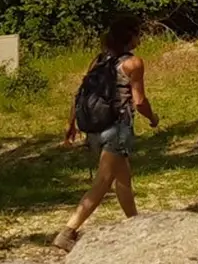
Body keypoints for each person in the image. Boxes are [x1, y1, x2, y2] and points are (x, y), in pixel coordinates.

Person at [53, 16, 160, 253]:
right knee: (102, 181)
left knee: (123, 178)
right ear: (130, 37)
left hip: (93, 128)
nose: (140, 38)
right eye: (137, 33)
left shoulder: (99, 61)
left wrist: (70, 125)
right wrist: (153, 118)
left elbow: (80, 92)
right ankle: (68, 231)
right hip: (117, 128)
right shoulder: (133, 63)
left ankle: (134, 223)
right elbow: (139, 101)